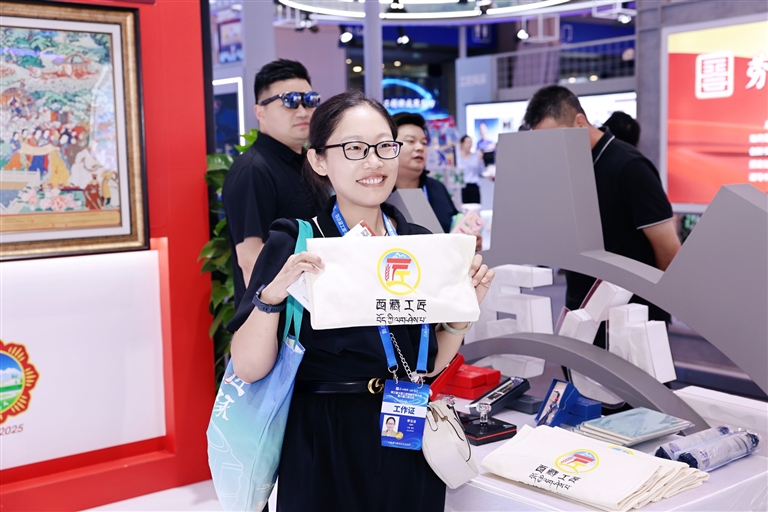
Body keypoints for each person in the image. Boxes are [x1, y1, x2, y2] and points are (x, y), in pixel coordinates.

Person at [227, 89, 495, 511]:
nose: (374, 162)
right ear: (319, 160)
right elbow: (248, 367)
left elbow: (426, 365)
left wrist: (462, 314)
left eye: (385, 146)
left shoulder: (419, 244)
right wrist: (271, 297)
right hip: (324, 438)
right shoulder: (296, 242)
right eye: (354, 148)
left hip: (408, 429)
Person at [525, 86, 680, 347]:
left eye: (555, 137)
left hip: (632, 317)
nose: (551, 149)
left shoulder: (629, 166)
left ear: (579, 122)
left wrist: (658, 304)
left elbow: (668, 250)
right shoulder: (567, 168)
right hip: (581, 311)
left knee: (635, 375)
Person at [223, 59, 324, 308]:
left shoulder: (311, 163)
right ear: (260, 112)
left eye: (309, 100)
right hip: (281, 316)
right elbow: (250, 260)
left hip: (317, 308)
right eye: (290, 101)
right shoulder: (252, 170)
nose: (303, 111)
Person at [392, 112, 459, 233]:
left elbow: (454, 226)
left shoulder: (437, 188)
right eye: (411, 141)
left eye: (424, 143)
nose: (420, 148)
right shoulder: (379, 193)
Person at [456, 135, 484, 204]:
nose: (470, 145)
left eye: (471, 142)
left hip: (474, 186)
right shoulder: (457, 158)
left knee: (475, 207)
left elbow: (481, 172)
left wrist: (480, 160)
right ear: (462, 144)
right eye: (468, 142)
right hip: (462, 187)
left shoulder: (476, 156)